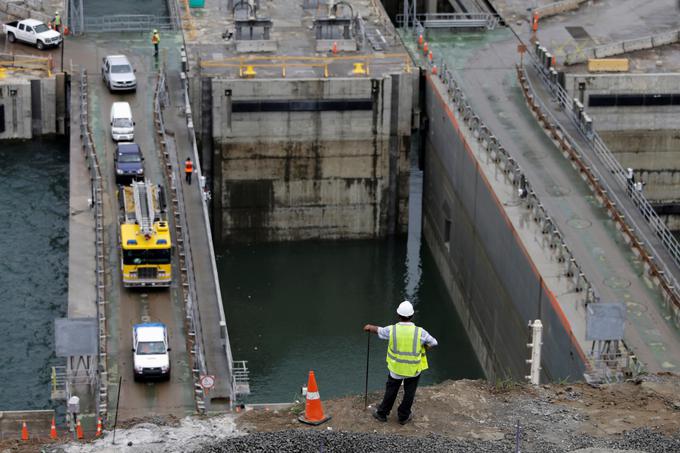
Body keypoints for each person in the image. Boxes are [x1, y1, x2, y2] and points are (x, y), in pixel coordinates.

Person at [363, 300, 437, 425]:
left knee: (391, 391)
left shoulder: (393, 330)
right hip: (413, 370)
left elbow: (379, 330)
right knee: (409, 393)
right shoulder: (420, 332)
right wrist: (424, 347)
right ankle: (403, 416)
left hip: (396, 369)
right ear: (412, 316)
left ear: (398, 315)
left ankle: (382, 413)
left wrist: (370, 327)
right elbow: (434, 342)